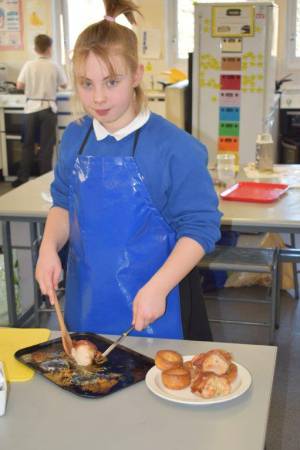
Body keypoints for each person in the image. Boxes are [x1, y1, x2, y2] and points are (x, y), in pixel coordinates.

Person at [35, 0, 222, 341]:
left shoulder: (173, 148)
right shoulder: (77, 136)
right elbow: (62, 203)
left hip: (157, 305)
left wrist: (158, 288)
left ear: (137, 75)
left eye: (111, 82)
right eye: (86, 83)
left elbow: (200, 230)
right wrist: (49, 246)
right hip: (87, 301)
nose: (98, 98)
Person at [13, 34, 67, 188]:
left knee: (27, 144)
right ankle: (44, 179)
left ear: (35, 48)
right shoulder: (54, 65)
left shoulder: (29, 65)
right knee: (46, 146)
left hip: (31, 109)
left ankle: (23, 178)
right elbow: (64, 85)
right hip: (48, 110)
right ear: (50, 48)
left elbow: (19, 86)